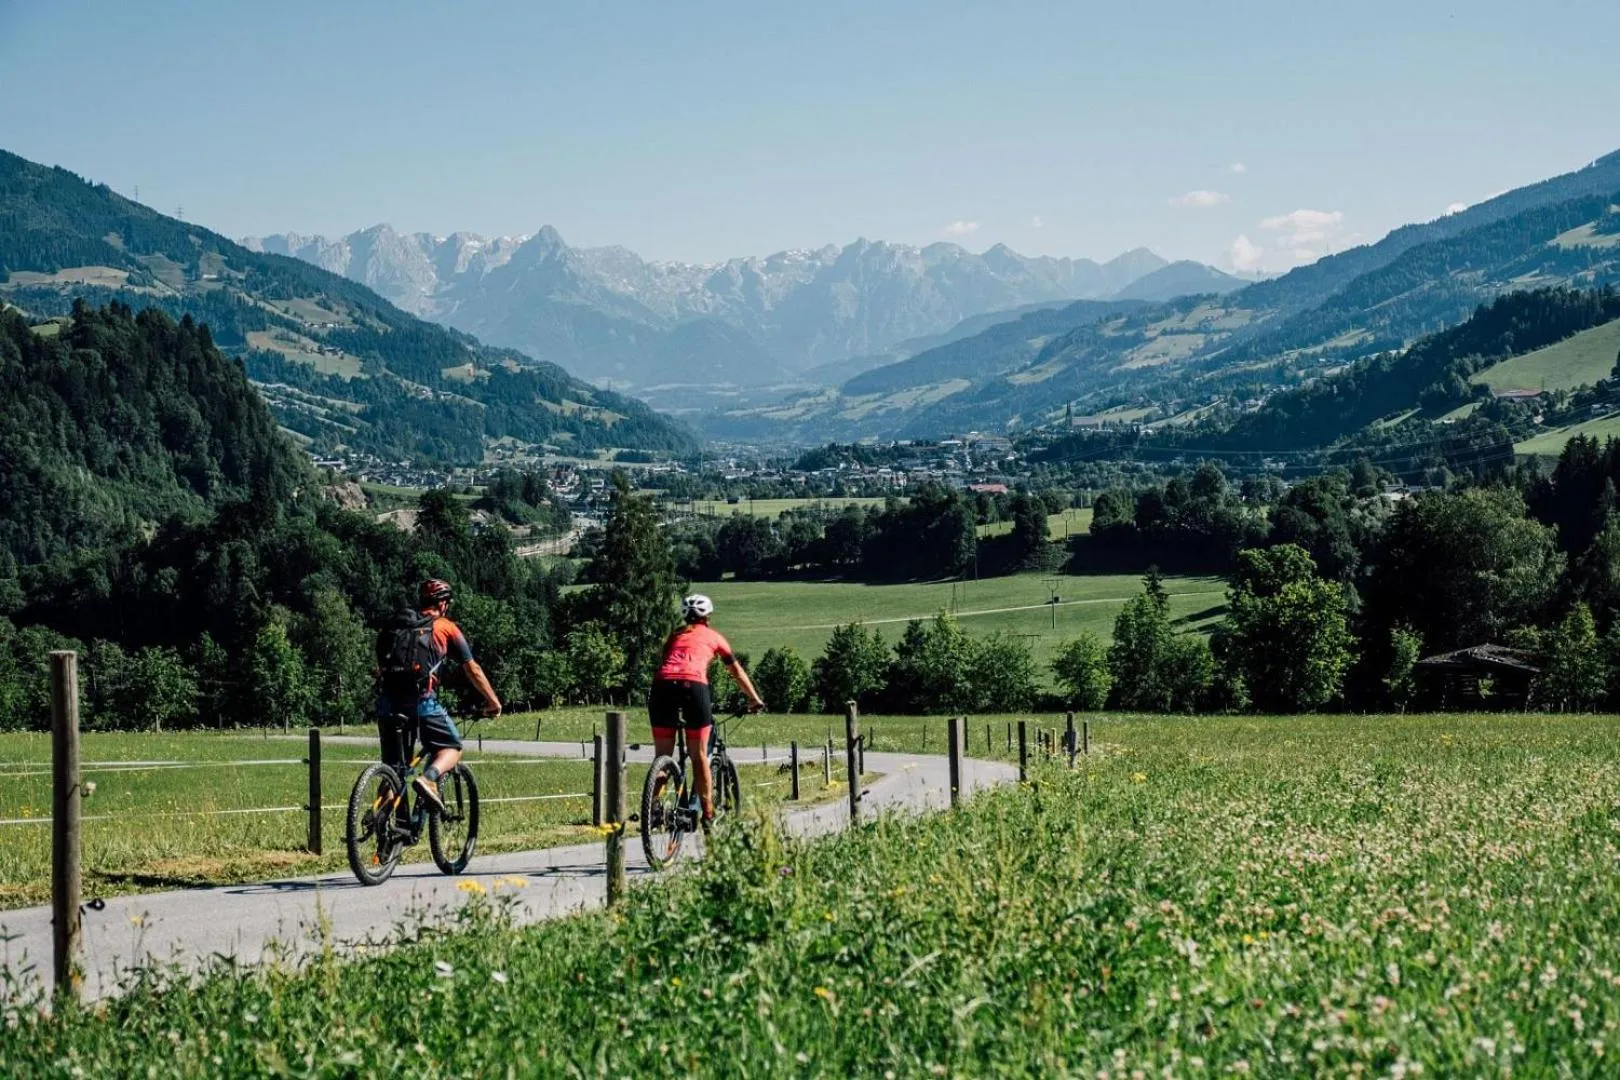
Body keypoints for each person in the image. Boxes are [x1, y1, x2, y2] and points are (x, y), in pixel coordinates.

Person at [375, 579, 501, 813]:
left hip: (388, 704)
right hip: (421, 703)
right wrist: (493, 702)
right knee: (451, 747)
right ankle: (430, 778)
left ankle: (382, 828)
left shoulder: (396, 626)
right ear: (443, 603)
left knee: (393, 770)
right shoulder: (446, 627)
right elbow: (472, 668)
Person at [649, 593, 764, 825]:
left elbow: (666, 663)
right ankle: (708, 815)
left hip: (661, 687)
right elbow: (736, 672)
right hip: (693, 686)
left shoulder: (674, 636)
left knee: (662, 755)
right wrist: (754, 699)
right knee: (699, 755)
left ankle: (652, 808)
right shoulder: (714, 637)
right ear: (708, 617)